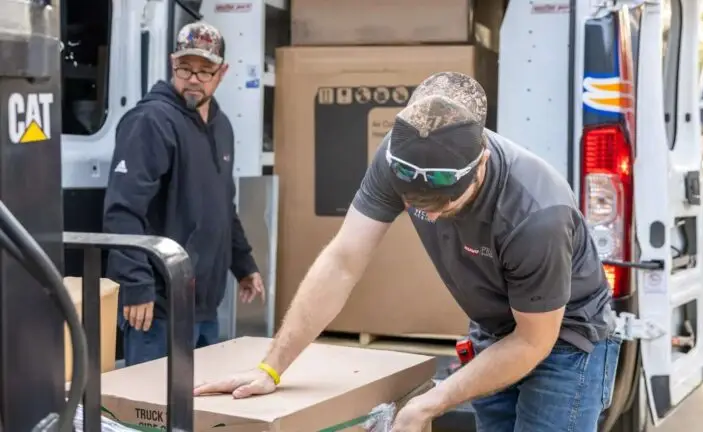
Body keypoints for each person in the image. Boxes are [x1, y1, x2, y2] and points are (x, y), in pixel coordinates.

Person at [193, 72, 621, 432]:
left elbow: (532, 342)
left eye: (444, 205)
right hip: (494, 328)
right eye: (415, 205)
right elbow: (343, 262)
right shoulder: (399, 158)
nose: (428, 215)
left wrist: (431, 402)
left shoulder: (535, 214)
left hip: (563, 339)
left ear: (482, 163)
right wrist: (270, 369)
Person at [103, 21, 264, 367]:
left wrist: (244, 264)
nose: (193, 78)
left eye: (205, 70)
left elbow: (223, 205)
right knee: (151, 414)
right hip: (158, 307)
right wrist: (136, 286)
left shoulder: (221, 127)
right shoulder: (150, 122)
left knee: (199, 409)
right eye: (185, 68)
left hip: (204, 304)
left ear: (222, 73)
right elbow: (122, 212)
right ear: (172, 64)